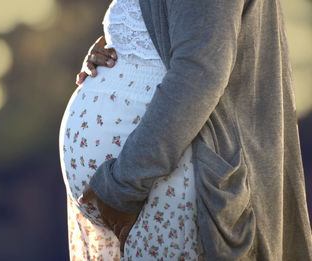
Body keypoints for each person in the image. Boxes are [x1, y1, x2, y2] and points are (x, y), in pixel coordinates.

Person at [60, 0, 312, 260]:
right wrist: (118, 46)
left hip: (159, 189)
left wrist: (123, 185)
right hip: (137, 196)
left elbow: (199, 72)